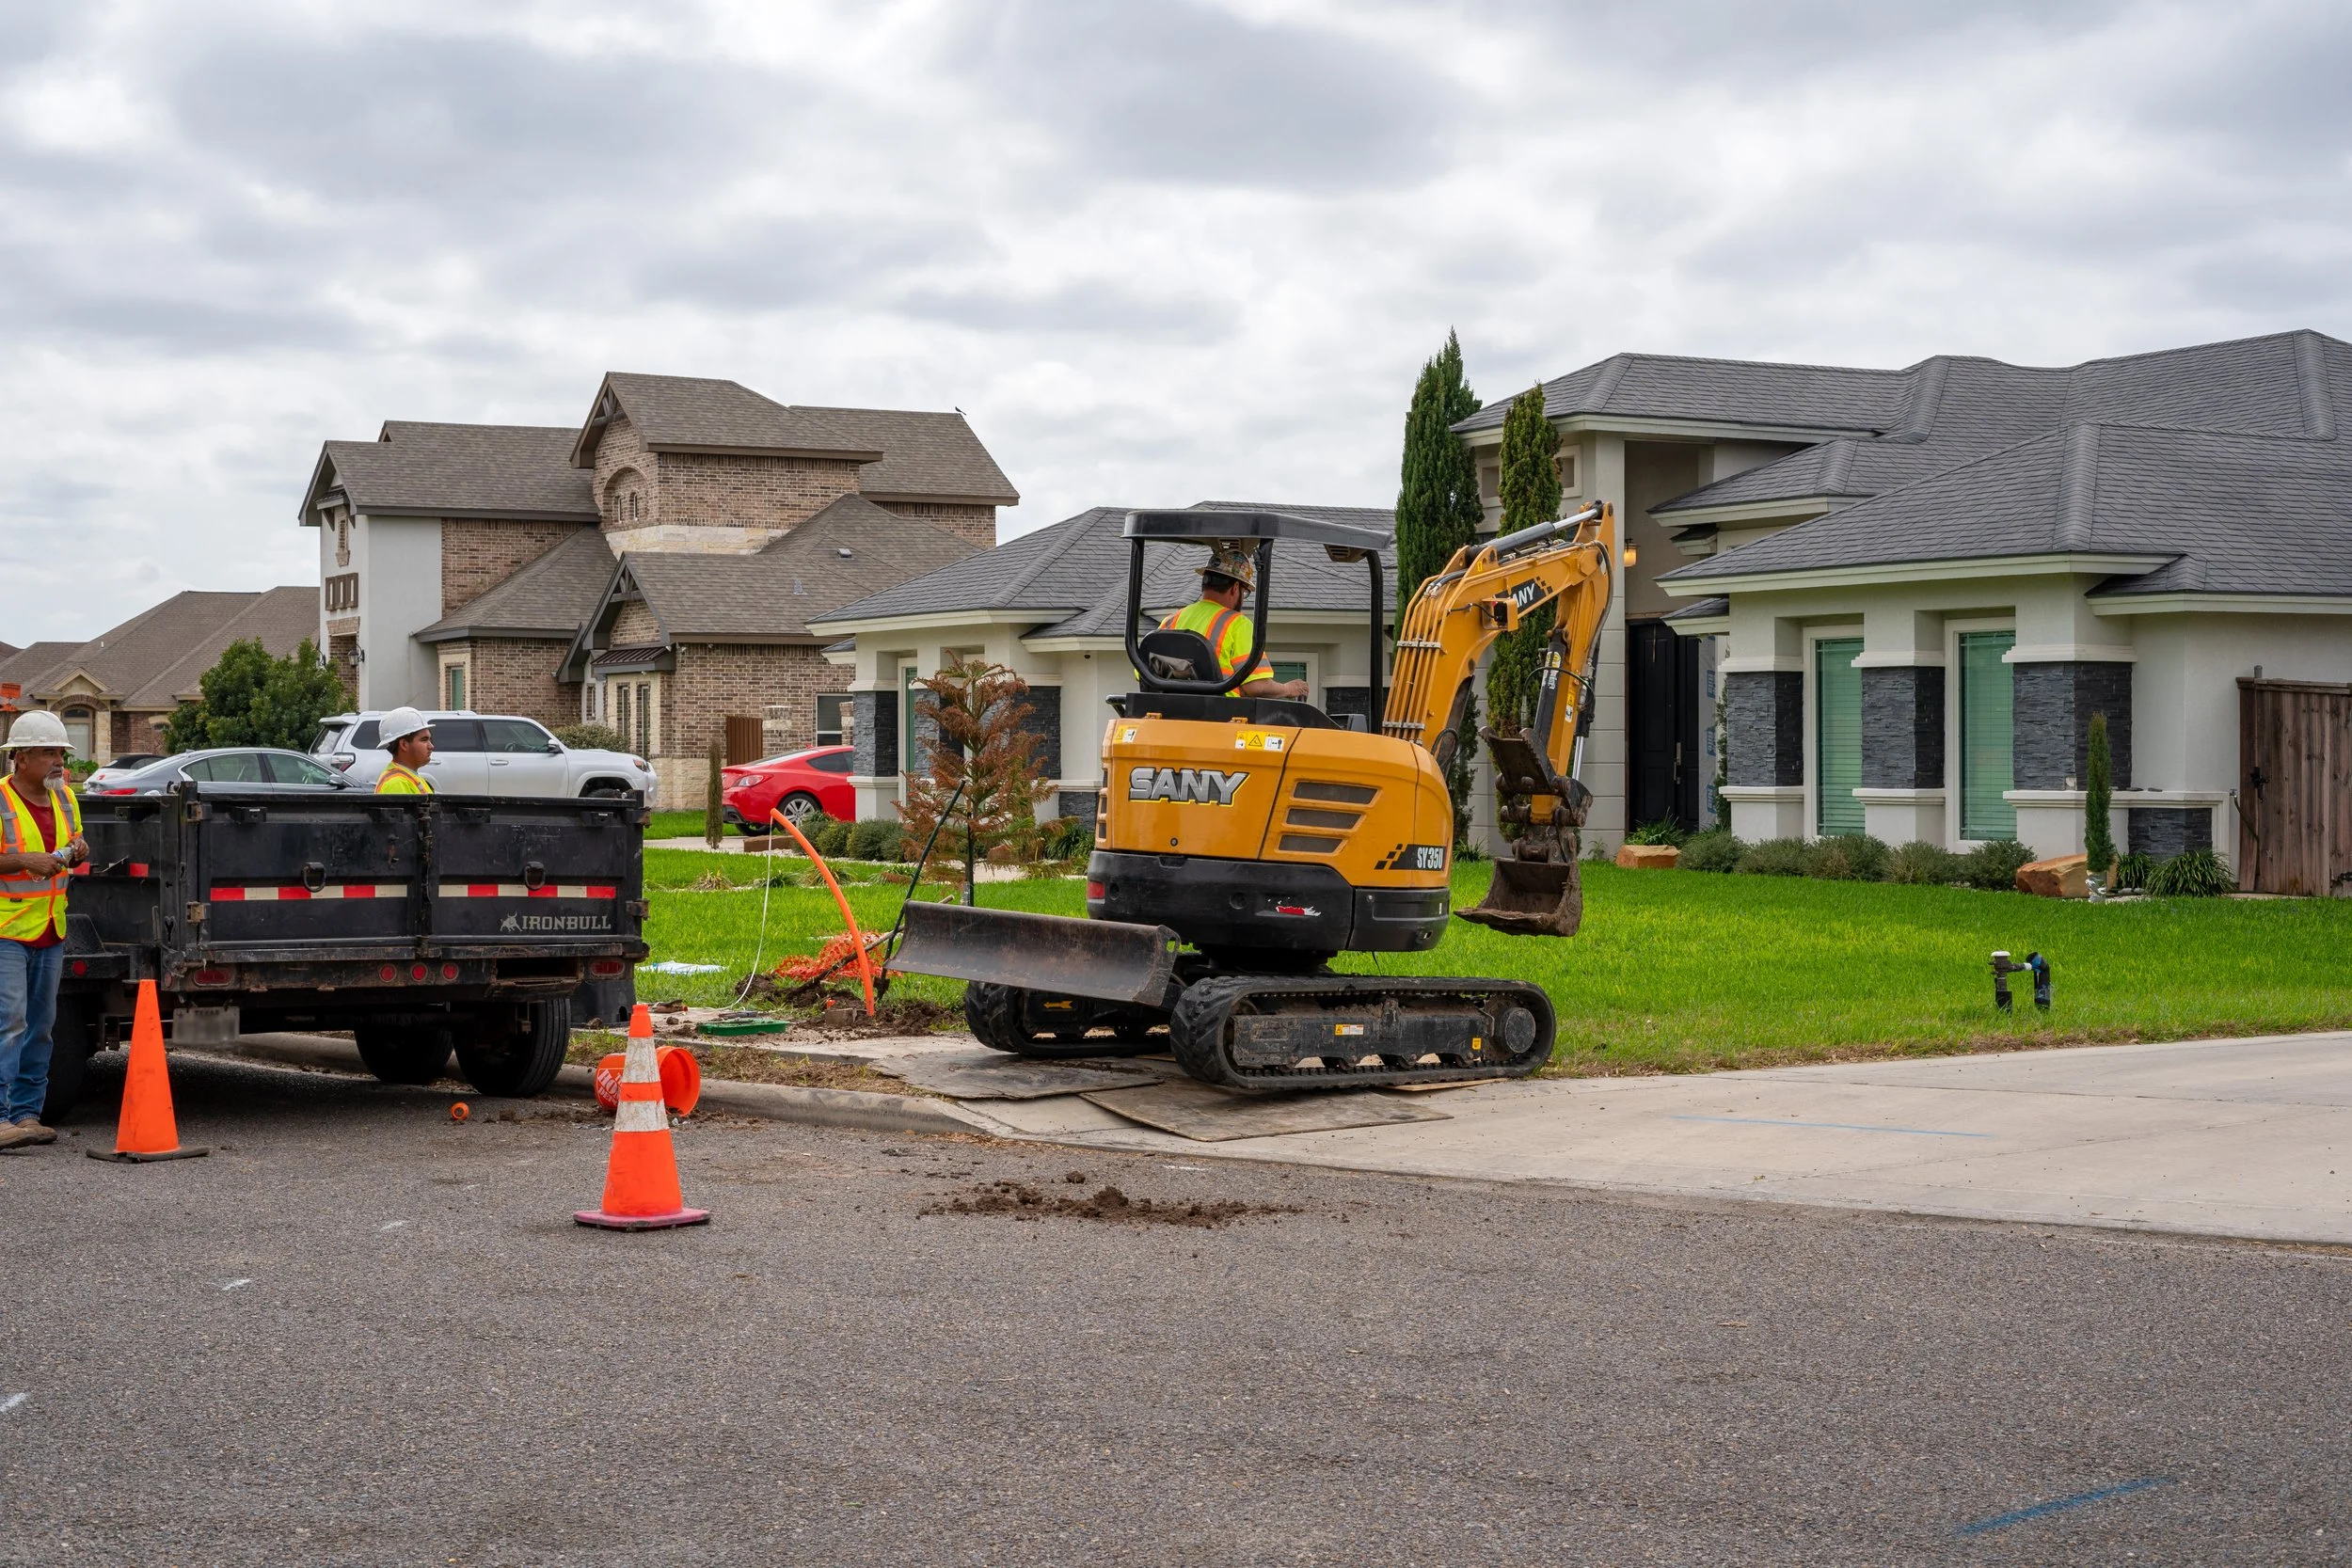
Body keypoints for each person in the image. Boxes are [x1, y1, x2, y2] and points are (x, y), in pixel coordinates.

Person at [0, 710, 88, 1149]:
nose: (57, 760)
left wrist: (77, 851)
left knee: (41, 1026)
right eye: (48, 752)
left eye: (59, 752)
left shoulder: (66, 799)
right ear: (20, 757)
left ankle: (27, 1115)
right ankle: (0, 1118)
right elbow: (19, 862)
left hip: (51, 927)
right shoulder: (0, 801)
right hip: (7, 930)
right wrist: (23, 861)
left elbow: (72, 851)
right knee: (9, 1023)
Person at [1155, 542, 1309, 700]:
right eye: (1244, 592)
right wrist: (1288, 688)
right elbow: (1256, 686)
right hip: (1220, 716)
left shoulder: (1170, 621)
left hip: (1166, 712)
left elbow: (1144, 673)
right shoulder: (1237, 624)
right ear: (1236, 588)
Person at [374, 707, 437, 795]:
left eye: (430, 740)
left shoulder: (411, 777)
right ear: (403, 744)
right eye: (424, 740)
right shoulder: (396, 783)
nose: (431, 746)